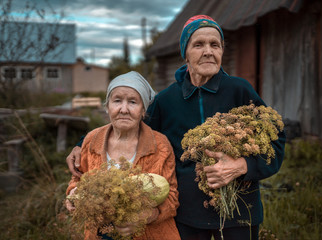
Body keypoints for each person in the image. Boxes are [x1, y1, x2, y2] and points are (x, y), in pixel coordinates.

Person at [67, 15, 286, 240]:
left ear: (221, 51)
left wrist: (241, 166)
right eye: (198, 45)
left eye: (215, 45)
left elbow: (276, 141)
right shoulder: (167, 100)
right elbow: (130, 125)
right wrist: (82, 143)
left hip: (240, 212)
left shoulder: (240, 90)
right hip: (187, 216)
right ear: (185, 53)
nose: (208, 51)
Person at [65, 71, 181, 240]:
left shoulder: (160, 145)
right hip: (100, 233)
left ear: (143, 110)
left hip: (148, 234)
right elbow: (77, 179)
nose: (124, 109)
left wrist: (143, 217)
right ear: (107, 106)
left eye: (133, 102)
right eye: (117, 100)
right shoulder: (91, 140)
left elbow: (172, 199)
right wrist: (73, 195)